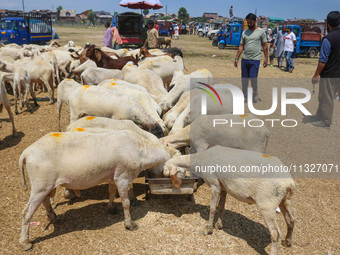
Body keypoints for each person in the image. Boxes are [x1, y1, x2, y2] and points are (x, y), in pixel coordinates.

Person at [308, 11, 340, 128]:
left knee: (327, 96)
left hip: (330, 73)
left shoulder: (328, 38)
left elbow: (323, 59)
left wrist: (316, 74)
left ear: (327, 23)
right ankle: (319, 115)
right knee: (324, 95)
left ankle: (325, 121)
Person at [234, 13, 268, 103]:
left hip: (255, 60)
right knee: (244, 79)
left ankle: (255, 93)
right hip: (245, 59)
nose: (249, 24)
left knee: (253, 78)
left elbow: (265, 46)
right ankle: (245, 95)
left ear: (255, 22)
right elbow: (241, 46)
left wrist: (266, 58)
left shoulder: (261, 32)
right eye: (248, 22)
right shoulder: (244, 32)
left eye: (251, 22)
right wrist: (237, 58)